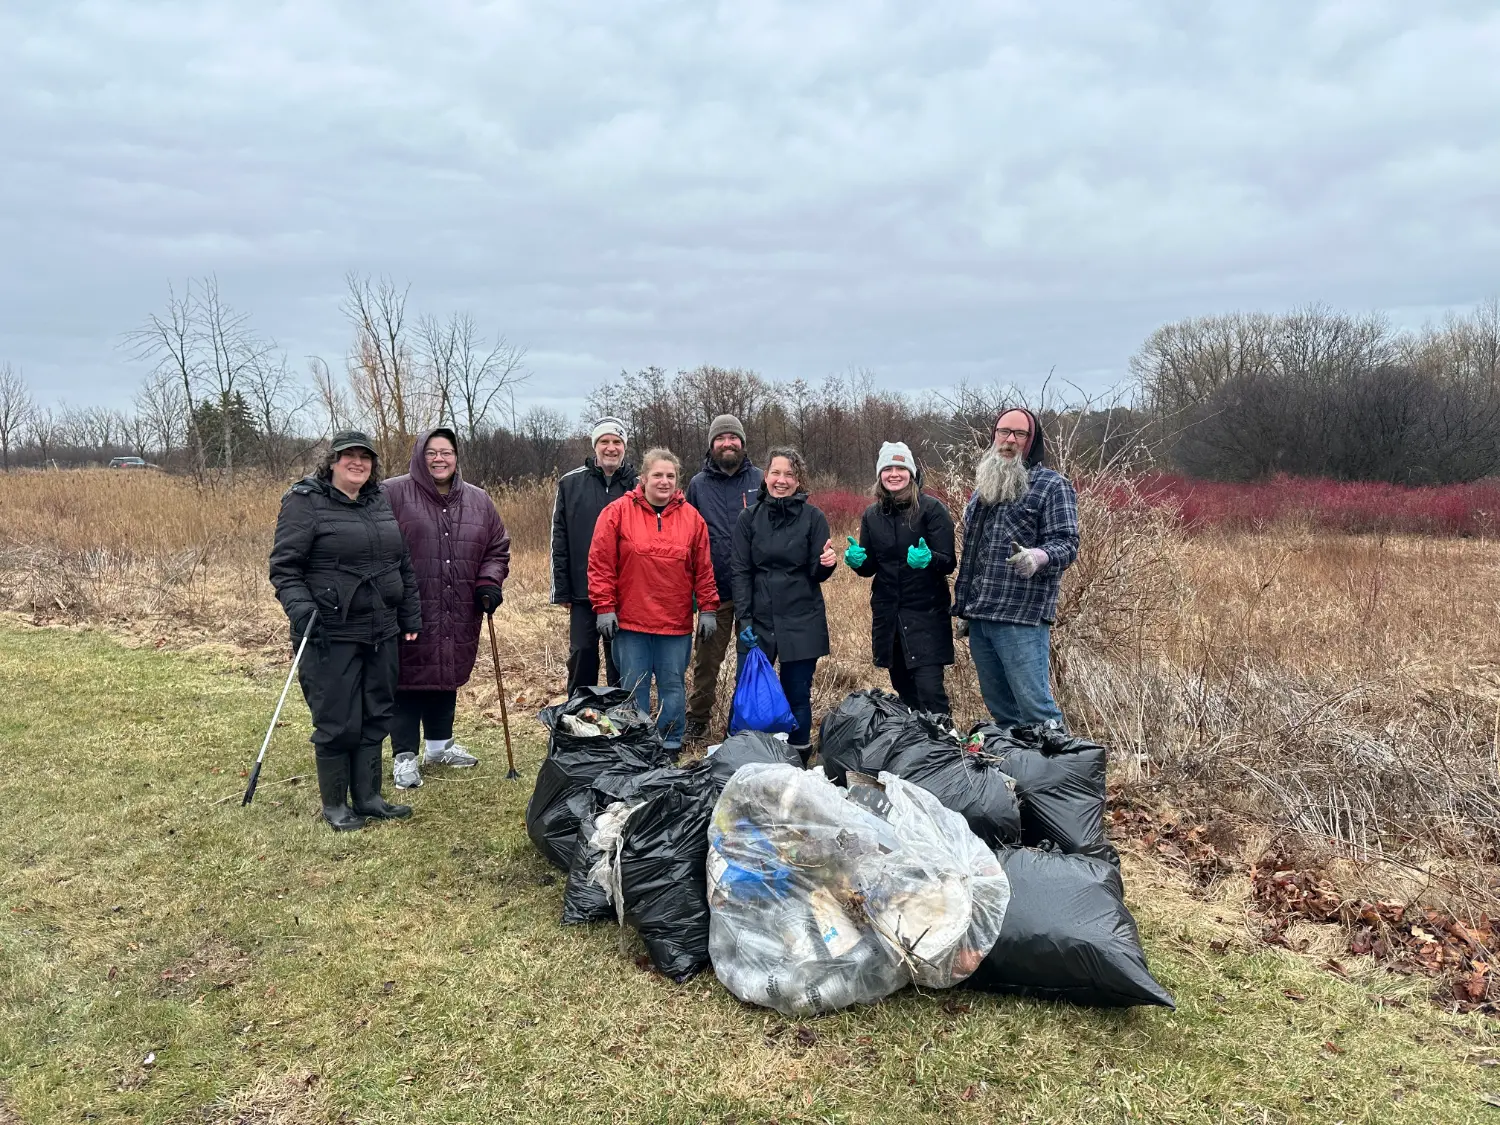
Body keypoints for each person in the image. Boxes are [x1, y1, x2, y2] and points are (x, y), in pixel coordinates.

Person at [269, 431, 420, 831]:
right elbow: (285, 568)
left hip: (381, 627)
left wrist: (411, 615)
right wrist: (302, 610)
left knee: (377, 713)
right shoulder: (304, 502)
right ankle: (336, 804)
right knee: (337, 718)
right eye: (348, 456)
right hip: (329, 631)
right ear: (332, 462)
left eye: (365, 457)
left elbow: (401, 562)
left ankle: (368, 797)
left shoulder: (378, 501)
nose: (358, 463)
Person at [383, 427, 511, 790]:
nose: (439, 459)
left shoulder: (479, 500)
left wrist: (488, 582)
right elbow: (376, 547)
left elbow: (497, 547)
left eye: (447, 452)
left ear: (457, 457)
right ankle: (404, 756)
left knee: (445, 673)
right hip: (408, 606)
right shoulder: (392, 493)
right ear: (419, 455)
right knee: (408, 678)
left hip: (458, 607)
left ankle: (439, 747)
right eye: (431, 452)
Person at [951, 408, 1079, 729]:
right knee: (1003, 710)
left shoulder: (1052, 486)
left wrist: (1038, 556)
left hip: (1021, 617)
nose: (1009, 440)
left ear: (1031, 440)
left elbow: (1067, 543)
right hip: (980, 616)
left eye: (1018, 434)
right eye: (1003, 432)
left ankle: (1063, 772)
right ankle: (1024, 771)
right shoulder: (985, 487)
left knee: (1036, 709)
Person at [587, 448, 718, 755]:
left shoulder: (692, 519)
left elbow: (704, 568)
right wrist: (604, 606)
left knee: (673, 688)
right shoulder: (617, 512)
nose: (664, 481)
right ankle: (636, 743)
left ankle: (670, 743)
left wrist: (709, 607)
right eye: (657, 475)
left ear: (677, 481)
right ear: (643, 479)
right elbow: (600, 563)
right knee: (636, 687)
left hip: (675, 623)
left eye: (670, 476)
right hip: (631, 622)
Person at [731, 447, 837, 760]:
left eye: (789, 474)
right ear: (765, 477)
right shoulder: (748, 518)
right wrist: (744, 619)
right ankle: (746, 758)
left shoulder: (814, 518)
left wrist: (827, 563)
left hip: (802, 619)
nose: (782, 480)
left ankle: (798, 761)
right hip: (759, 619)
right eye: (776, 473)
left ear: (799, 480)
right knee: (749, 693)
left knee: (797, 694)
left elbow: (817, 572)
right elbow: (740, 571)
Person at [844, 441, 957, 715]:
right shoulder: (872, 515)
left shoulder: (932, 510)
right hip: (888, 615)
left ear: (912, 473)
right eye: (888, 469)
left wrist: (929, 558)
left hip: (926, 614)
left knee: (930, 691)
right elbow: (870, 566)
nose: (894, 474)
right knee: (903, 687)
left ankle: (945, 748)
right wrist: (858, 561)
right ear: (880, 475)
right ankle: (916, 748)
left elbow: (948, 562)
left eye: (901, 468)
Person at [683, 414, 763, 741]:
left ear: (742, 443)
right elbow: (686, 539)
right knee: (705, 666)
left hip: (754, 595)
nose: (727, 443)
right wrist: (692, 594)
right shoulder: (698, 485)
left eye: (733, 438)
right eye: (720, 438)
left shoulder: (761, 480)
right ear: (712, 445)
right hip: (713, 596)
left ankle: (743, 727)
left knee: (753, 663)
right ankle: (697, 722)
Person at [551, 418, 637, 695]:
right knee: (582, 654)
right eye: (604, 442)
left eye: (617, 442)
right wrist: (561, 589)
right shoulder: (570, 483)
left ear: (624, 447)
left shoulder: (639, 486)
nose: (610, 448)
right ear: (595, 446)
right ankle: (580, 713)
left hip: (626, 591)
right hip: (582, 591)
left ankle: (621, 718)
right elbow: (559, 539)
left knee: (621, 661)